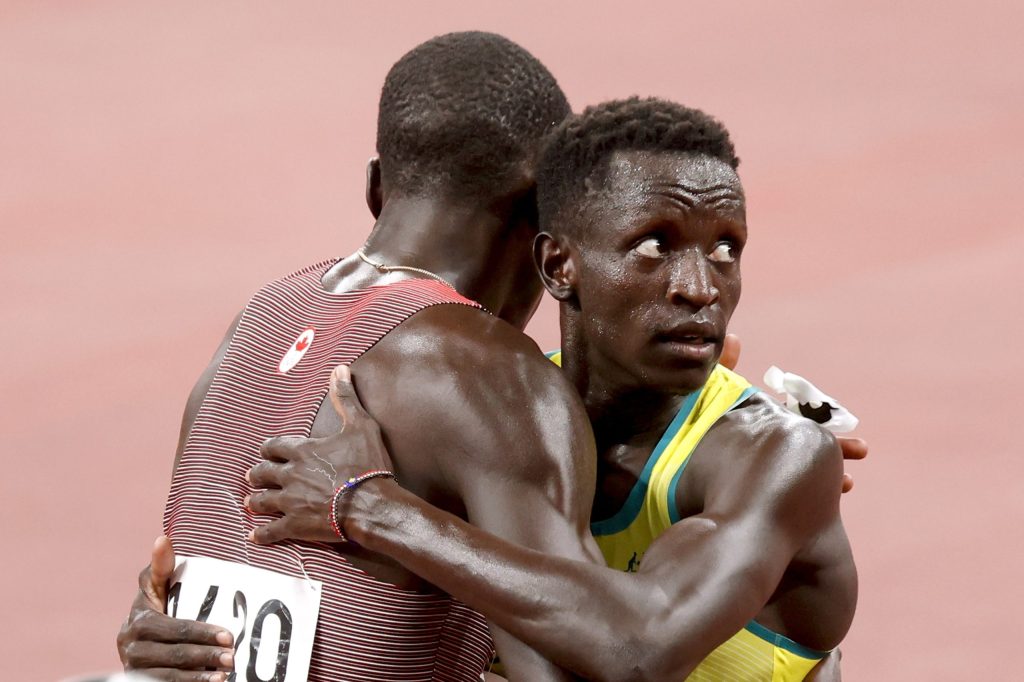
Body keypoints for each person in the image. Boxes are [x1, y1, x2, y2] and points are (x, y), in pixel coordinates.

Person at [243, 98, 860, 681]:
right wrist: (159, 628)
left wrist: (365, 508)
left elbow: (642, 650)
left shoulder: (780, 456)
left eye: (727, 248)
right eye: (654, 245)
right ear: (558, 266)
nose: (700, 287)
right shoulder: (500, 421)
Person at [118, 31, 603, 682]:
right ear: (540, 210)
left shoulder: (256, 322)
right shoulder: (493, 372)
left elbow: (166, 594)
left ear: (376, 187)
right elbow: (580, 665)